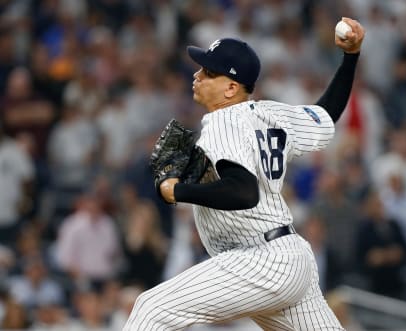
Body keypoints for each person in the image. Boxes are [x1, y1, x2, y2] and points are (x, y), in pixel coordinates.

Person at [124, 17, 365, 331]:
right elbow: (327, 113)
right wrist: (351, 57)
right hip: (289, 258)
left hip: (260, 260)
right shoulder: (268, 113)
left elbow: (243, 191)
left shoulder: (222, 122)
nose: (197, 75)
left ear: (230, 88)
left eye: (208, 72)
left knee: (151, 308)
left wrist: (177, 191)